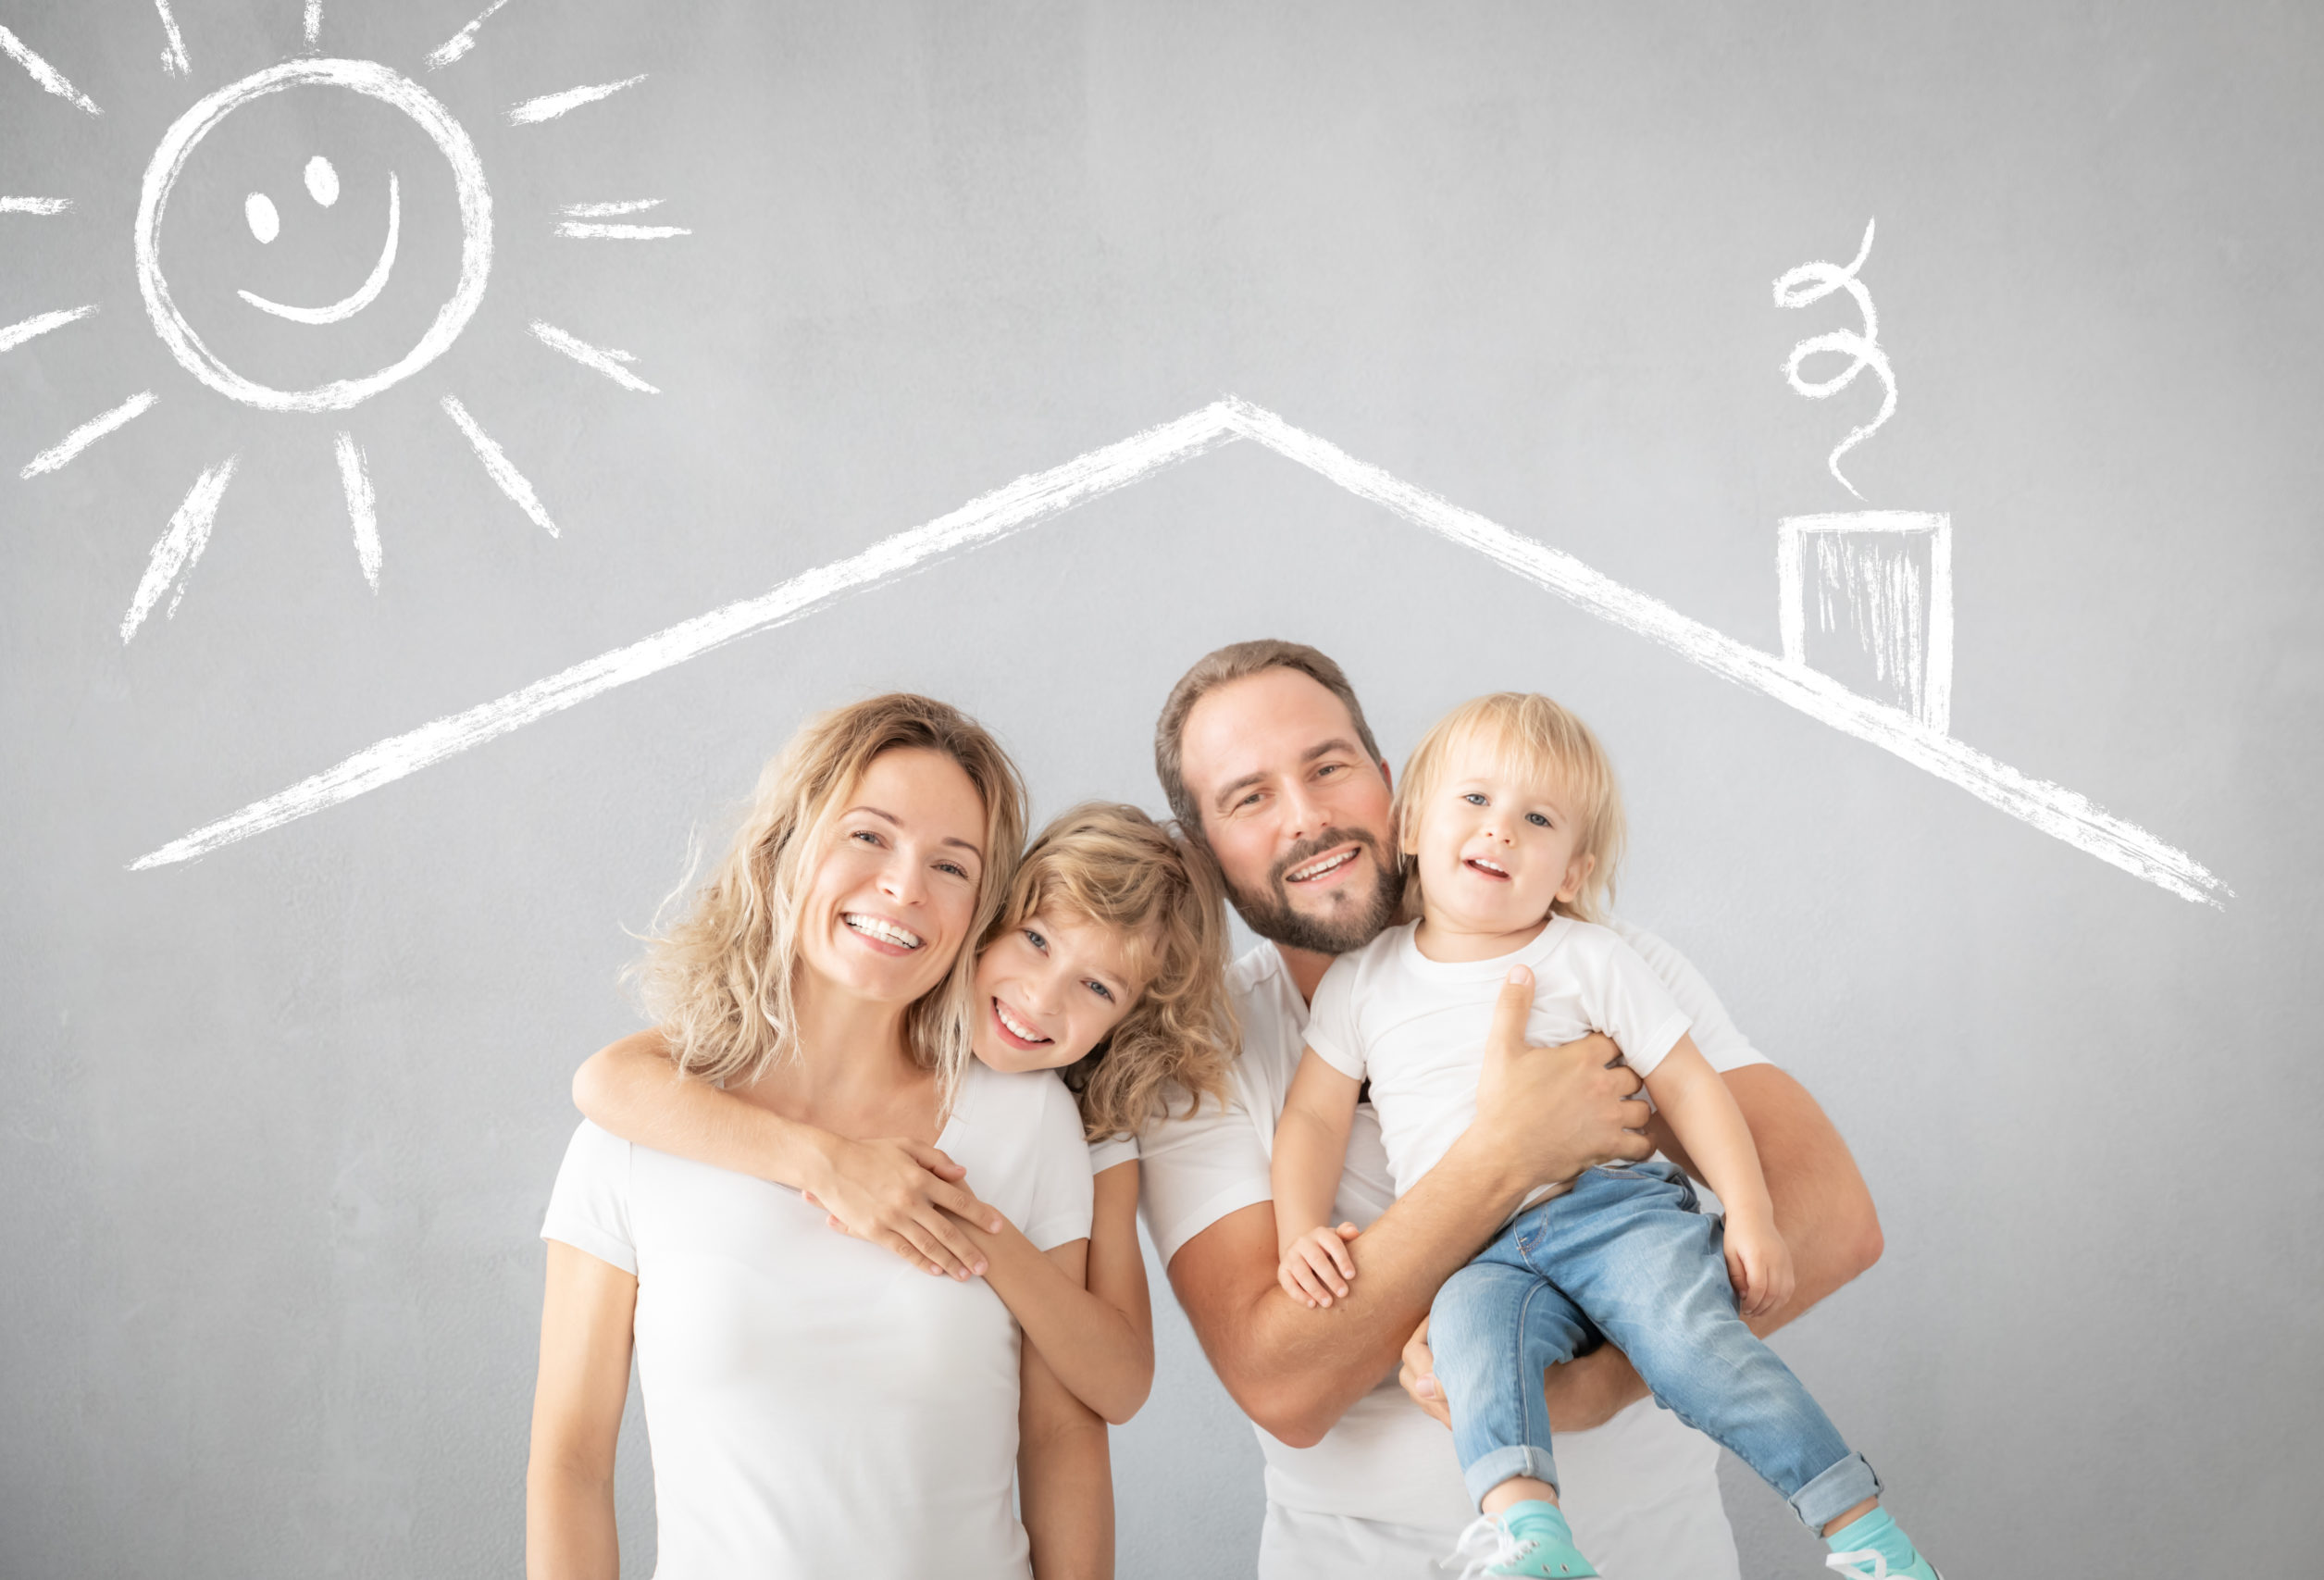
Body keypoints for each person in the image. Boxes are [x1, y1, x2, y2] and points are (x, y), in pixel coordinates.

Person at [1137, 640, 1887, 1580]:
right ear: (1205, 851)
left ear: (1390, 785)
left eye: (1327, 768)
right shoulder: (1196, 1058)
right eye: (1249, 798)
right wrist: (1505, 1153)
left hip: (1657, 1555)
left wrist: (1592, 1387)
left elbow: (1831, 1221)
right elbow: (1282, 1381)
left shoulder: (1592, 960)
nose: (1307, 817)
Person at [525, 694, 1111, 1579]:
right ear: (787, 844)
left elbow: (1062, 1434)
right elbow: (571, 1461)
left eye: (951, 866)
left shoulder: (1025, 1119)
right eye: (869, 836)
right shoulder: (637, 1131)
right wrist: (826, 1164)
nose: (905, 887)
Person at [561, 800, 1241, 1544]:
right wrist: (830, 1162)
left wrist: (978, 1231)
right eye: (1037, 940)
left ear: (1131, 1021)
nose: (1042, 997)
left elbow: (1109, 1389)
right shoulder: (670, 1111)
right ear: (991, 920)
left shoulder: (1078, 1123)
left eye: (1099, 987)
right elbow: (603, 1082)